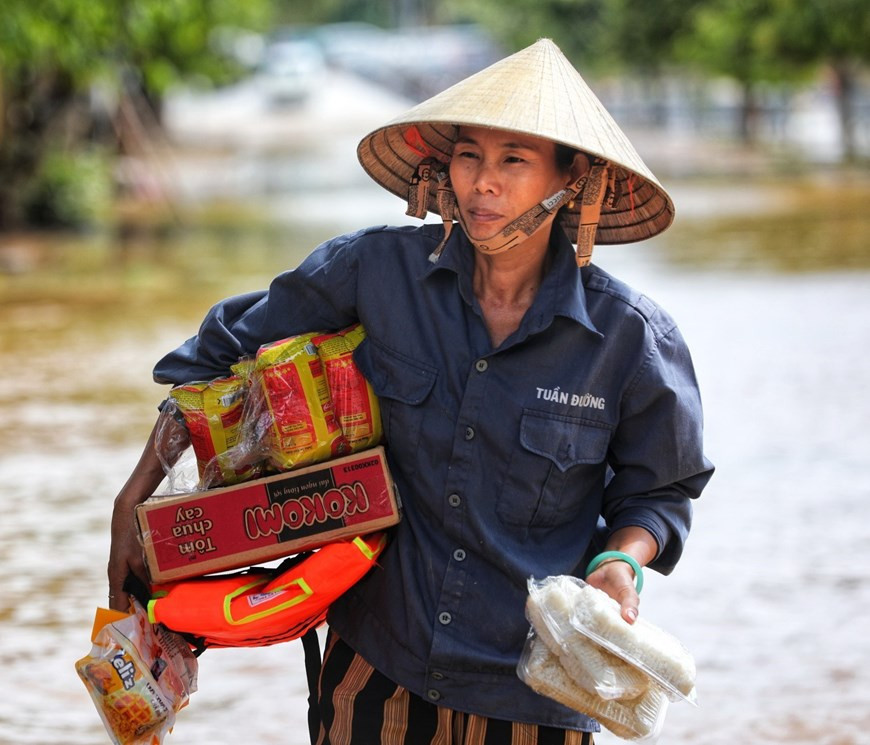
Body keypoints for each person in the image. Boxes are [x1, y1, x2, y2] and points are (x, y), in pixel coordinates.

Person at [108, 39, 713, 744]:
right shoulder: (375, 272)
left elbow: (660, 490)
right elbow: (213, 359)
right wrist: (135, 496)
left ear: (571, 178)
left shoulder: (628, 338)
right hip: (376, 670)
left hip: (532, 690)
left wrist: (621, 562)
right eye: (468, 156)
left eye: (513, 160)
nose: (483, 182)